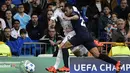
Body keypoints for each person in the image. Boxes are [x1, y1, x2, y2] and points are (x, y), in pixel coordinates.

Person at [58, 3, 121, 72]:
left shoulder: (74, 13)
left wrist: (68, 18)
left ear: (71, 9)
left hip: (80, 36)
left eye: (66, 10)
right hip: (87, 36)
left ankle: (66, 67)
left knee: (64, 47)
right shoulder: (73, 13)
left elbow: (76, 17)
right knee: (97, 55)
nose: (65, 12)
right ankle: (116, 63)